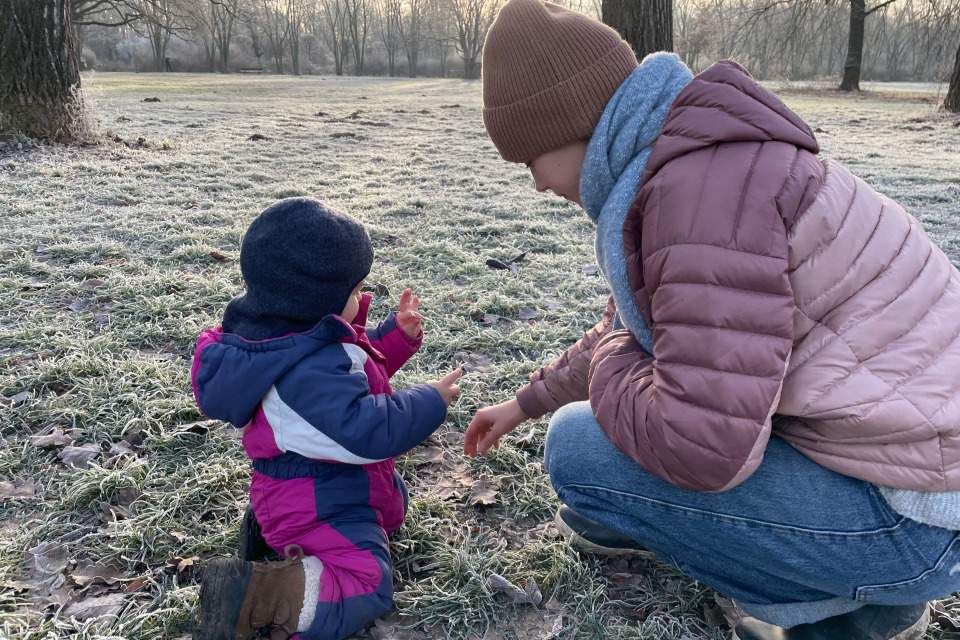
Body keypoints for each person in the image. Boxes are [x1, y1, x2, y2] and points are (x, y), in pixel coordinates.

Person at [465, 1, 960, 638]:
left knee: (576, 448)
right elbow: (642, 330)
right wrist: (525, 402)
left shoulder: (697, 202)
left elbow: (705, 450)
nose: (534, 185)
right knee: (584, 422)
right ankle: (878, 593)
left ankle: (843, 616)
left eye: (528, 160)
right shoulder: (708, 157)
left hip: (916, 524)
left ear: (568, 125)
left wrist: (617, 358)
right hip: (920, 481)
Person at [190, 197, 462, 640]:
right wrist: (430, 400)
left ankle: (276, 542)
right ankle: (254, 598)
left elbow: (353, 372)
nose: (363, 297)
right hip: (316, 502)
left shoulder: (296, 338)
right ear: (317, 299)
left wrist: (394, 338)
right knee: (367, 583)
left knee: (392, 508)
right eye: (356, 291)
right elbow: (366, 430)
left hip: (323, 488)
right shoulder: (305, 371)